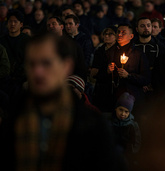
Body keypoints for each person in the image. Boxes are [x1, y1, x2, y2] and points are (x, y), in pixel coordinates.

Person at [0, 33, 123, 171]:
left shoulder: (92, 125)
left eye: (46, 63)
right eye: (32, 64)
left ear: (66, 66)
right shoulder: (14, 116)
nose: (38, 72)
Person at [103, 23, 150, 112]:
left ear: (131, 36)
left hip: (132, 98)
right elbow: (100, 75)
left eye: (123, 32)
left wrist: (129, 76)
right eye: (118, 32)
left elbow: (146, 79)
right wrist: (108, 71)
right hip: (113, 97)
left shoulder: (138, 54)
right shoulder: (109, 52)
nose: (119, 34)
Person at [0, 10, 30, 83]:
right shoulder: (2, 40)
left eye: (15, 21)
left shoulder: (27, 40)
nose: (12, 24)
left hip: (22, 77)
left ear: (21, 24)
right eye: (10, 21)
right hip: (4, 77)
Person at [111, 92, 141, 163]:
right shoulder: (108, 120)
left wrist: (130, 155)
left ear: (129, 112)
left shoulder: (132, 125)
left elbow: (136, 143)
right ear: (116, 108)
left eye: (126, 111)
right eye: (120, 110)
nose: (123, 114)